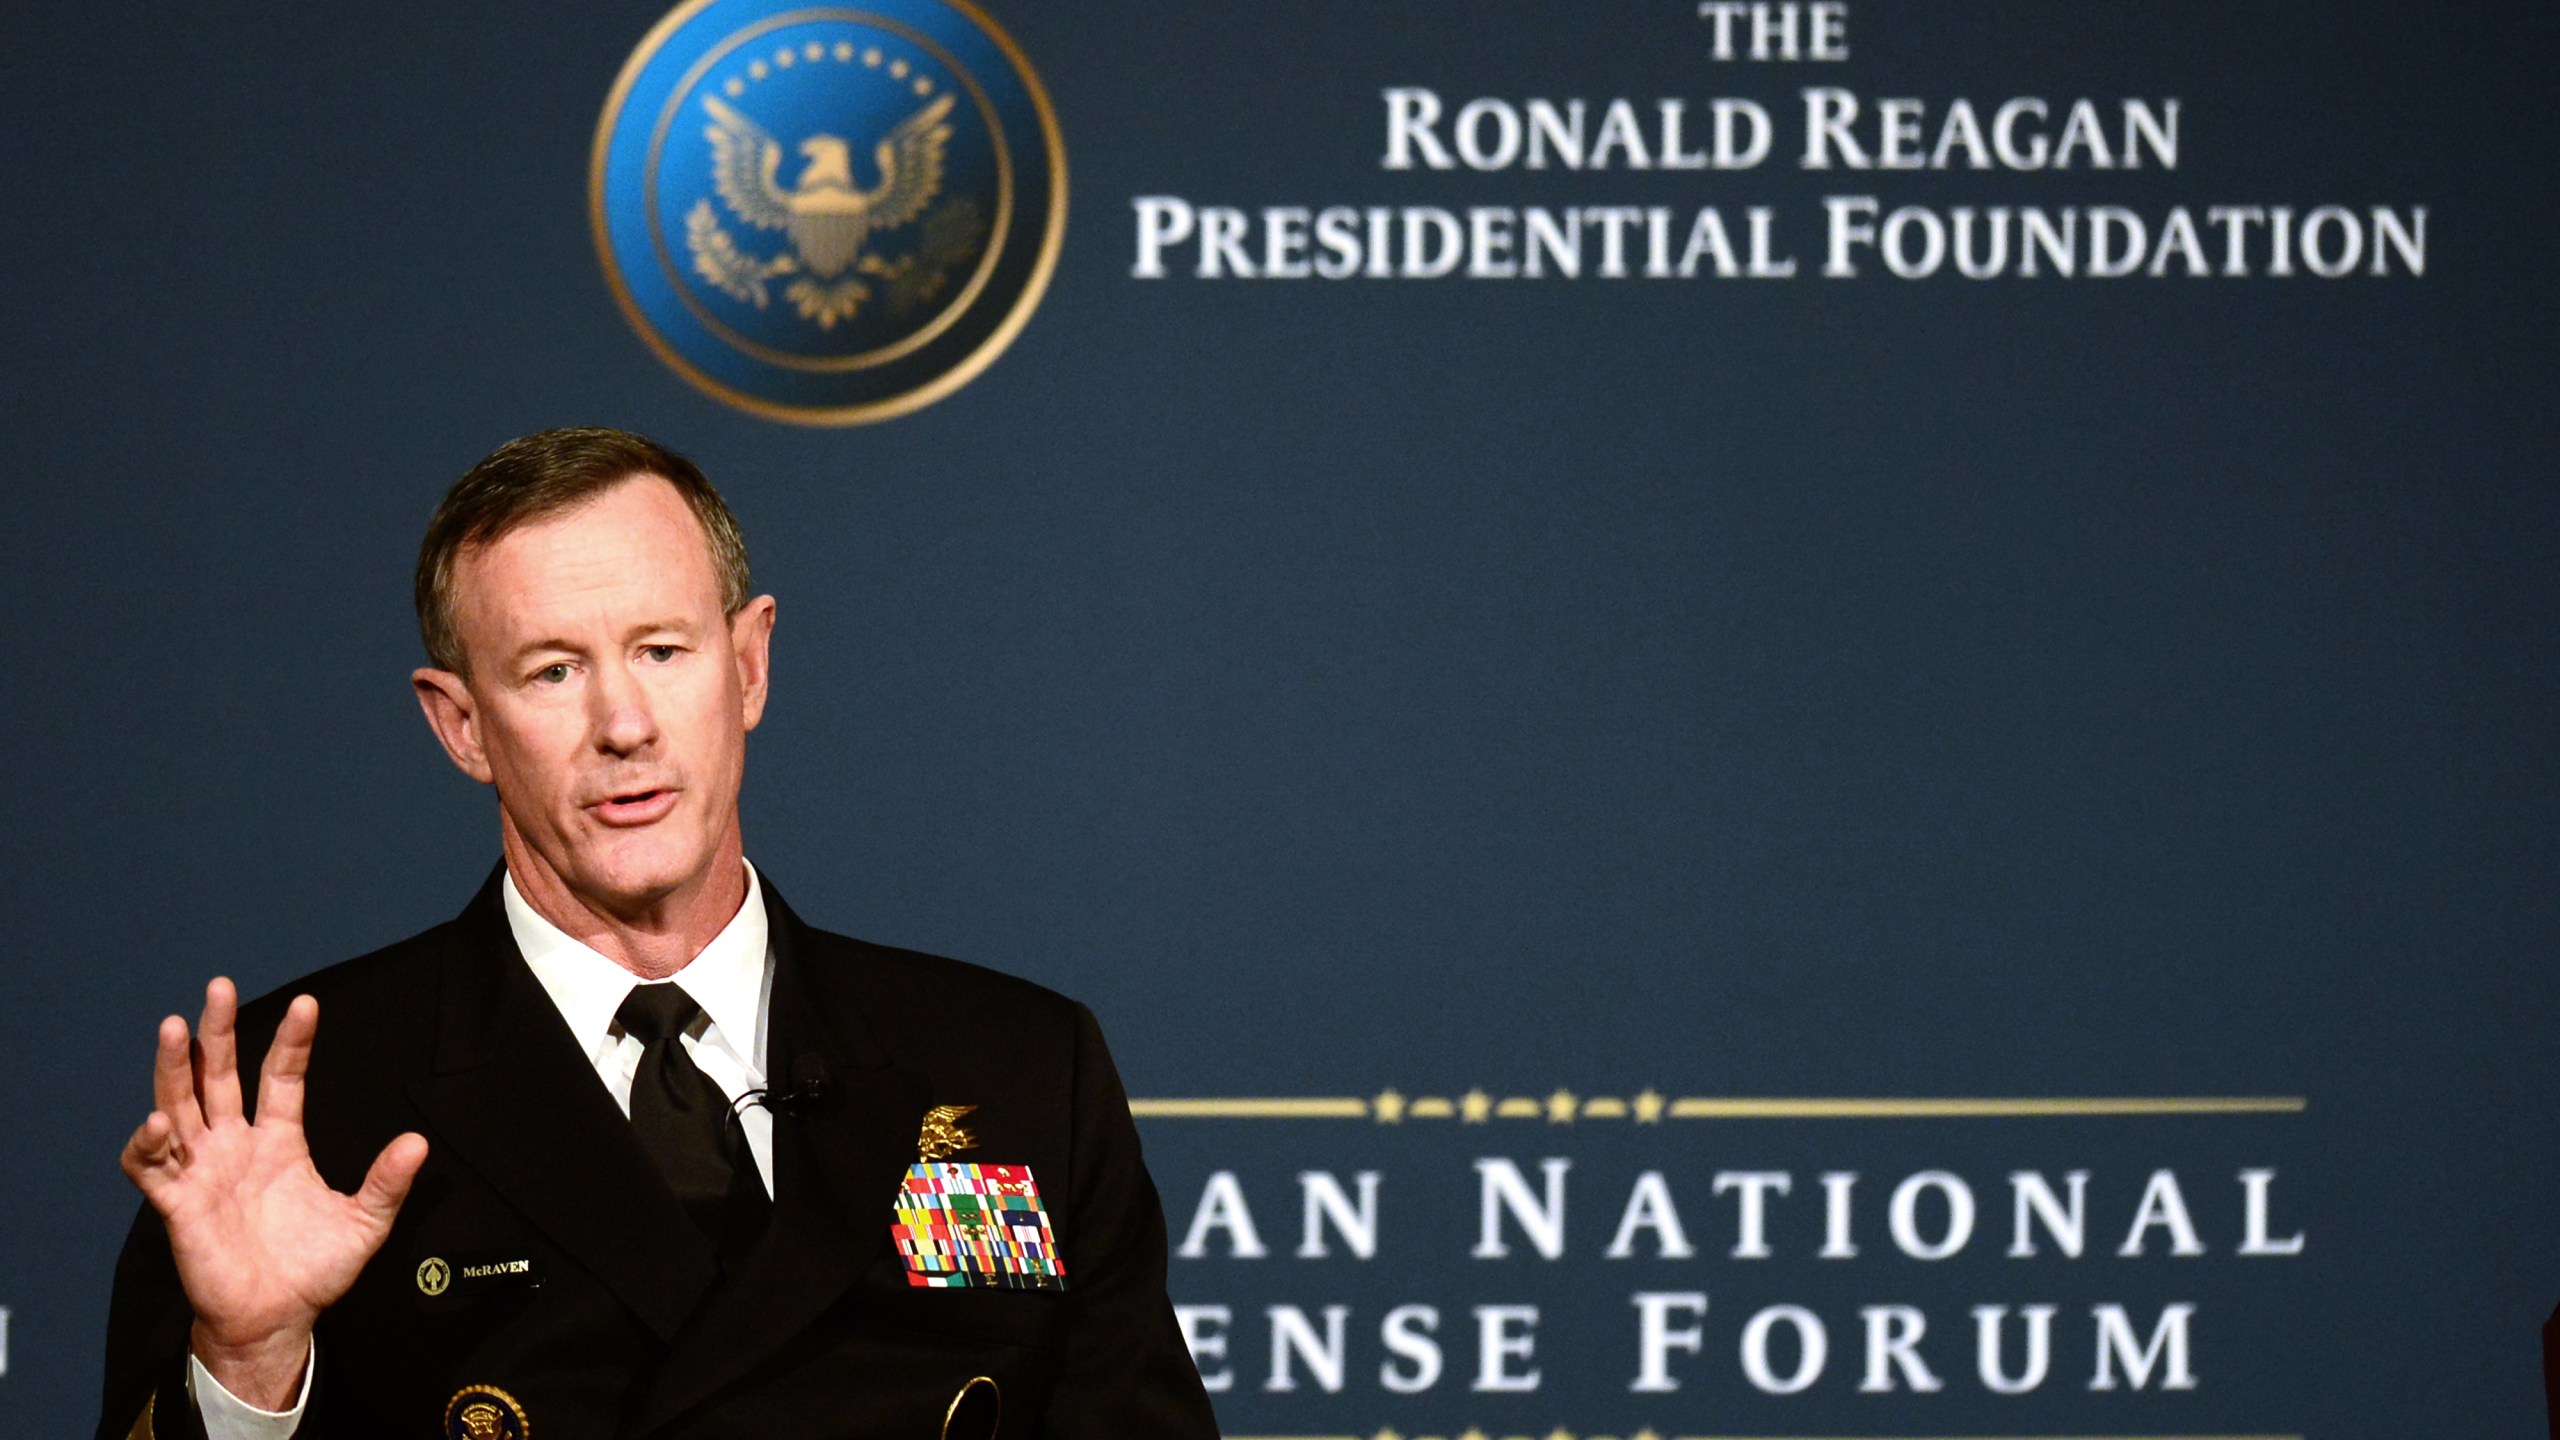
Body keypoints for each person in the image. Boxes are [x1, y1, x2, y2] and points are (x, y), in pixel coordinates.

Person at [98, 428, 1219, 1440]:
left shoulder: (1018, 1067)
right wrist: (247, 1366)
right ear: (460, 725)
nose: (622, 726)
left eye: (661, 652)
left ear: (748, 666)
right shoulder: (299, 1108)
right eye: (553, 670)